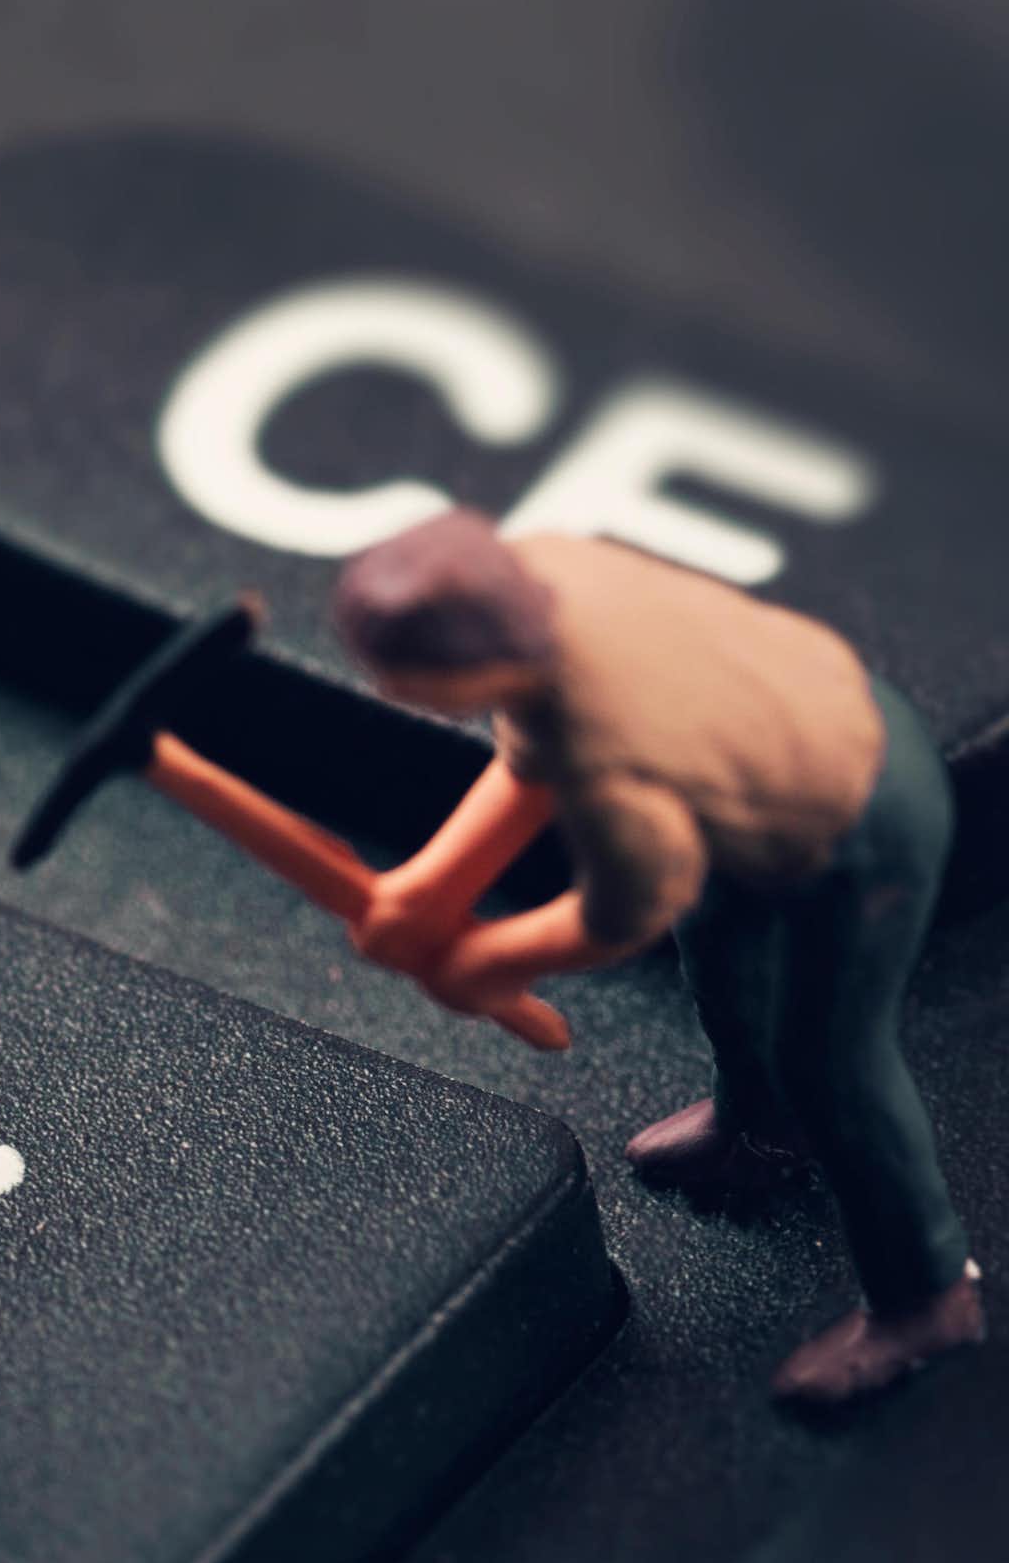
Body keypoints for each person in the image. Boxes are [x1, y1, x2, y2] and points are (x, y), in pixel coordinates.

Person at [332, 508, 980, 1406]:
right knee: (718, 960)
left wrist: (486, 960)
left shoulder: (613, 756)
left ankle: (928, 1296)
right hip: (744, 775)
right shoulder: (539, 571)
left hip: (860, 813)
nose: (385, 689)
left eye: (400, 675)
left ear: (477, 664)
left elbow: (623, 911)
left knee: (833, 1062)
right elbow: (529, 761)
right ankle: (757, 1130)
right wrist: (428, 888)